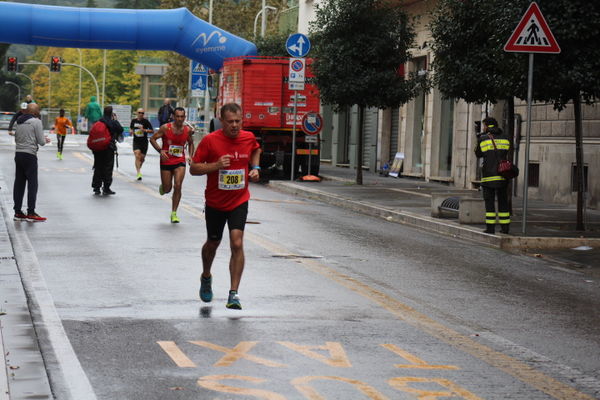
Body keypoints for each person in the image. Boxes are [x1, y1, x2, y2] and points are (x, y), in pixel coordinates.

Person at [190, 103, 261, 310]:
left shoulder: (248, 138)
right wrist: (216, 165)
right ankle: (206, 275)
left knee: (237, 243)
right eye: (230, 122)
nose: (235, 125)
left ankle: (234, 294)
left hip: (239, 200)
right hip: (215, 202)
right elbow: (194, 168)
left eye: (238, 121)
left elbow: (257, 149)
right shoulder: (210, 141)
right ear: (221, 121)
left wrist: (255, 168)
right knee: (213, 243)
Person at [149, 107, 194, 223]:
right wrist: (160, 150)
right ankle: (164, 187)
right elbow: (153, 139)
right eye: (177, 116)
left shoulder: (187, 130)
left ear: (185, 117)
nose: (179, 119)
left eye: (182, 117)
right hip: (166, 160)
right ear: (174, 116)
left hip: (180, 160)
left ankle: (174, 213)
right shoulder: (165, 128)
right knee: (168, 188)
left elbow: (191, 143)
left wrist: (190, 156)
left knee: (178, 185)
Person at [13, 103, 51, 222]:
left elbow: (16, 138)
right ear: (35, 113)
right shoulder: (36, 122)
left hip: (18, 154)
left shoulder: (18, 122)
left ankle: (18, 211)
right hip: (30, 155)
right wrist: (45, 139)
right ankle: (31, 212)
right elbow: (41, 142)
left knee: (19, 183)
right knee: (32, 184)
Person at [475, 117, 511, 234]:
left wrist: (479, 138)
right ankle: (505, 228)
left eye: (484, 125)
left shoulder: (483, 139)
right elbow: (506, 152)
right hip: (503, 175)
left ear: (487, 126)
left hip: (488, 176)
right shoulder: (505, 138)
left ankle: (490, 228)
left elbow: (478, 154)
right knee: (503, 203)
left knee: (489, 203)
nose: (483, 128)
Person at [91, 106, 123, 195]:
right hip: (108, 148)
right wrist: (116, 120)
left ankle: (96, 187)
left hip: (97, 149)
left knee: (98, 166)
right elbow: (120, 129)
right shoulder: (112, 122)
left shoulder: (99, 122)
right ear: (111, 113)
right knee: (108, 168)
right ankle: (106, 187)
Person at [129, 108, 153, 180]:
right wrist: (131, 132)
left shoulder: (146, 121)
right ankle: (138, 172)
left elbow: (152, 130)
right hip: (136, 141)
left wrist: (144, 130)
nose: (141, 114)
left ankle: (139, 168)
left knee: (141, 158)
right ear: (137, 113)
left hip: (144, 142)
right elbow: (131, 128)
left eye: (142, 113)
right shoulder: (133, 121)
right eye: (139, 112)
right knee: (137, 155)